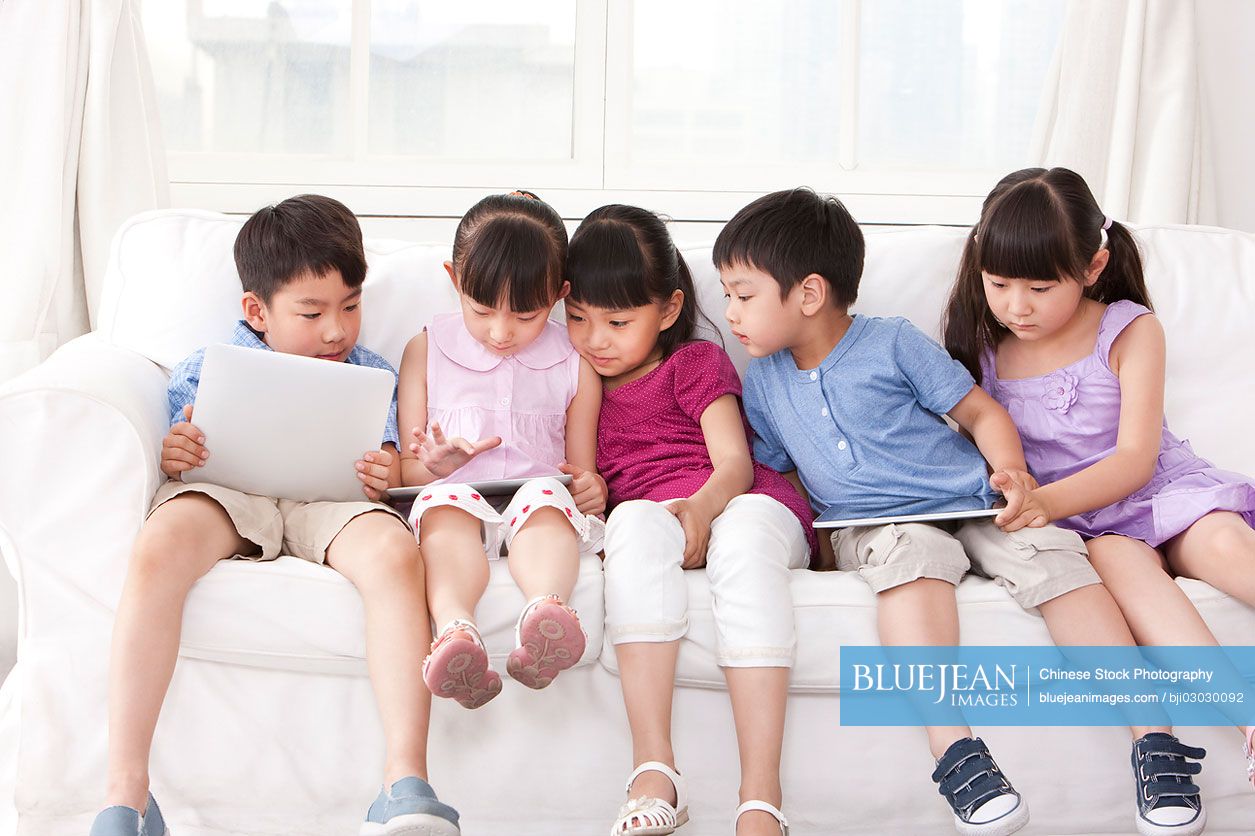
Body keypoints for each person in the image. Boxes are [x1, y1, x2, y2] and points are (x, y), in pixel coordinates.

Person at [720, 187, 1201, 836]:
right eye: (726, 296)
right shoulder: (763, 384)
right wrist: (816, 545)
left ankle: (1155, 742)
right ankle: (956, 753)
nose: (728, 314)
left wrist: (1012, 475)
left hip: (970, 497)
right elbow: (778, 473)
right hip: (877, 525)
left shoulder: (890, 342)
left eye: (741, 296)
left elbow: (978, 412)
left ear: (807, 294)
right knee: (911, 569)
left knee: (1054, 560)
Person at [89, 195, 459, 836]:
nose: (337, 330)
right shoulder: (209, 366)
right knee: (160, 542)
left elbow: (395, 463)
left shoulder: (372, 373)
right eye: (312, 313)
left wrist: (387, 470)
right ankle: (126, 796)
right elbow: (181, 446)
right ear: (257, 312)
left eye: (351, 305)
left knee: (397, 555)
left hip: (335, 499)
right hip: (232, 491)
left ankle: (405, 782)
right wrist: (177, 452)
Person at [942, 165, 1255, 809]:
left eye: (1038, 286)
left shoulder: (1129, 327)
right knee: (1124, 568)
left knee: (1226, 545)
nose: (1016, 305)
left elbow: (1136, 459)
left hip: (1162, 492)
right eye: (998, 284)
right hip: (1094, 529)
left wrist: (1045, 502)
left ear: (1093, 266)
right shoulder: (985, 350)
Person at [564, 204, 814, 836]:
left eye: (618, 321)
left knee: (745, 537)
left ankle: (761, 797)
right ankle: (655, 771)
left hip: (741, 502)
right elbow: (585, 476)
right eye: (577, 319)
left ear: (668, 310)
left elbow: (733, 463)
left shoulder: (694, 363)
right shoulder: (578, 383)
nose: (597, 339)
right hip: (658, 520)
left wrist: (702, 508)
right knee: (631, 524)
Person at [397, 191, 606, 710]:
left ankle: (547, 615)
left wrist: (589, 487)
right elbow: (402, 469)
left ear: (559, 295)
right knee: (446, 508)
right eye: (482, 309)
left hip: (537, 504)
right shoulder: (426, 349)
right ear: (454, 280)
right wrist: (434, 467)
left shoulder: (573, 361)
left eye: (527, 314)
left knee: (546, 503)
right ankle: (456, 633)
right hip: (453, 499)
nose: (501, 331)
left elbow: (581, 472)